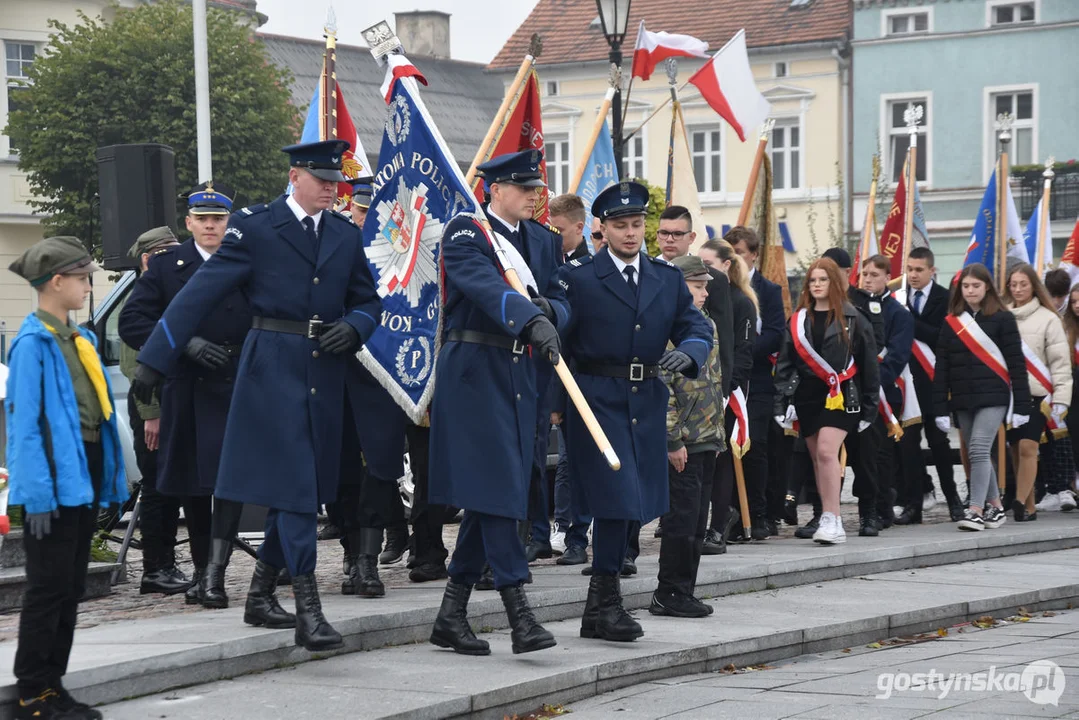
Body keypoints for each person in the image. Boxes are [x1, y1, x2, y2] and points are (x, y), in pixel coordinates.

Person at [130, 140, 382, 651]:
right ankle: (309, 610)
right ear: (295, 176)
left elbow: (369, 299)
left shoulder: (341, 233)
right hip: (270, 369)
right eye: (323, 180)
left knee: (307, 488)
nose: (333, 190)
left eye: (337, 183)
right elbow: (196, 295)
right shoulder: (257, 227)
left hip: (323, 372)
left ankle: (260, 593)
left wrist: (355, 326)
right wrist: (154, 361)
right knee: (294, 486)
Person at [559, 180, 712, 642]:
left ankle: (600, 606)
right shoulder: (580, 276)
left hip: (645, 400)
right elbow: (560, 331)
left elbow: (694, 326)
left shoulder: (665, 278)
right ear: (601, 229)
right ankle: (604, 601)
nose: (630, 233)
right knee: (615, 496)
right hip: (596, 398)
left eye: (636, 225)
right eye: (620, 225)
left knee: (632, 505)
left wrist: (688, 351)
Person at [427, 149, 565, 656]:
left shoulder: (541, 241)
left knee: (496, 492)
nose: (533, 195)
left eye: (536, 188)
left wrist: (551, 311)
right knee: (498, 489)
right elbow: (482, 285)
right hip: (476, 371)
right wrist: (529, 316)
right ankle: (519, 615)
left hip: (521, 374)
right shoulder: (467, 231)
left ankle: (451, 614)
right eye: (523, 188)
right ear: (494, 189)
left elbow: (560, 293)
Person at [7, 236, 129, 720]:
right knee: (47, 588)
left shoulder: (81, 340)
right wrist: (35, 496)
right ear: (56, 282)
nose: (87, 285)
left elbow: (97, 417)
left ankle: (53, 685)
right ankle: (32, 694)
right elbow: (24, 427)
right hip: (54, 485)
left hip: (83, 475)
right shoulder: (32, 343)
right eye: (81, 278)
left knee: (70, 586)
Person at [120, 184, 254, 610]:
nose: (211, 225)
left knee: (233, 484)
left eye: (218, 218)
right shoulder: (166, 267)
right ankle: (203, 574)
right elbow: (133, 322)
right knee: (196, 489)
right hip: (190, 386)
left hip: (237, 381)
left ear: (228, 222)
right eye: (203, 219)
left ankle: (220, 571)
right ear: (189, 223)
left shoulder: (248, 262)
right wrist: (184, 344)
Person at [773, 258, 879, 545]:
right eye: (812, 280)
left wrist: (871, 407)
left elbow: (870, 366)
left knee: (826, 451)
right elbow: (785, 364)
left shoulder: (854, 318)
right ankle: (826, 515)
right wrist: (781, 403)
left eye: (823, 279)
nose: (817, 285)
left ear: (834, 283)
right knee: (818, 460)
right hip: (808, 396)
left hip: (842, 395)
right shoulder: (797, 320)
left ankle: (833, 519)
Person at [652, 254, 725, 617]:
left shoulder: (704, 325)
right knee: (681, 522)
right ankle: (669, 592)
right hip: (684, 441)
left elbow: (712, 384)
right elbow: (664, 389)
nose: (704, 293)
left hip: (706, 437)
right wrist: (673, 440)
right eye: (697, 287)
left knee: (697, 522)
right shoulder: (669, 330)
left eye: (705, 286)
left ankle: (685, 590)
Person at [933, 263, 1031, 531]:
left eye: (976, 285)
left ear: (987, 286)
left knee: (977, 448)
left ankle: (975, 509)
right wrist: (940, 407)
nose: (970, 290)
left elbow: (1016, 364)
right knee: (979, 453)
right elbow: (942, 367)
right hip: (963, 398)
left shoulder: (1003, 318)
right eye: (966, 286)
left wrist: (1022, 404)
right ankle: (996, 507)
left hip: (994, 396)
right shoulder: (951, 322)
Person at [118, 227, 187, 597]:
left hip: (171, 401)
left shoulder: (165, 293)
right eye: (164, 252)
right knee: (158, 488)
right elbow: (136, 365)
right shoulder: (140, 300)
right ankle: (155, 569)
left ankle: (167, 565)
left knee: (172, 485)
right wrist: (152, 414)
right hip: (152, 406)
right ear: (147, 258)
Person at [698, 238, 757, 554]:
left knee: (720, 460)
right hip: (700, 390)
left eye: (708, 265)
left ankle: (718, 526)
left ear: (726, 266)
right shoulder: (698, 299)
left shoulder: (741, 301)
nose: (702, 271)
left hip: (729, 391)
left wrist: (726, 391)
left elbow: (742, 353)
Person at [727, 226, 784, 540]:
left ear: (753, 255)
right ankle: (733, 515)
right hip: (729, 379)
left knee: (755, 446)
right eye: (730, 253)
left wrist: (744, 351)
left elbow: (775, 333)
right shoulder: (723, 287)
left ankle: (760, 514)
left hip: (758, 380)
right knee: (728, 449)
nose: (735, 259)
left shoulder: (768, 290)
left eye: (740, 254)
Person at [1004, 263, 1071, 521]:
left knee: (1029, 447)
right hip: (1010, 396)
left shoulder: (1049, 318)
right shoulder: (1002, 315)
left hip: (1039, 394)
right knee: (1015, 449)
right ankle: (1029, 506)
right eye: (1014, 284)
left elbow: (1060, 362)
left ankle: (1019, 501)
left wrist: (1062, 398)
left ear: (1033, 285)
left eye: (1023, 284)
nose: (1018, 289)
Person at [901, 248, 963, 521]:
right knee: (909, 447)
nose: (913, 274)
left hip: (935, 383)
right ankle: (914, 504)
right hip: (907, 384)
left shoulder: (945, 298)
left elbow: (943, 337)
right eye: (910, 269)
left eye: (919, 270)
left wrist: (909, 321)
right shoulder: (899, 298)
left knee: (939, 445)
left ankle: (953, 500)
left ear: (931, 271)